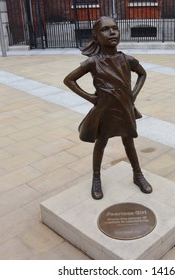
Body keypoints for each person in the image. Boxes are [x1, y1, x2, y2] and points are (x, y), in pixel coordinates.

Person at [63, 16, 152, 200]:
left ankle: (138, 174)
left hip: (124, 107)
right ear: (96, 37)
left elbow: (142, 74)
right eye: (105, 29)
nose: (112, 32)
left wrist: (133, 95)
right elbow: (69, 80)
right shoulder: (93, 62)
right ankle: (96, 178)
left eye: (115, 28)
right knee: (101, 142)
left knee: (129, 141)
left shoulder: (127, 59)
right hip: (104, 110)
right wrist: (91, 98)